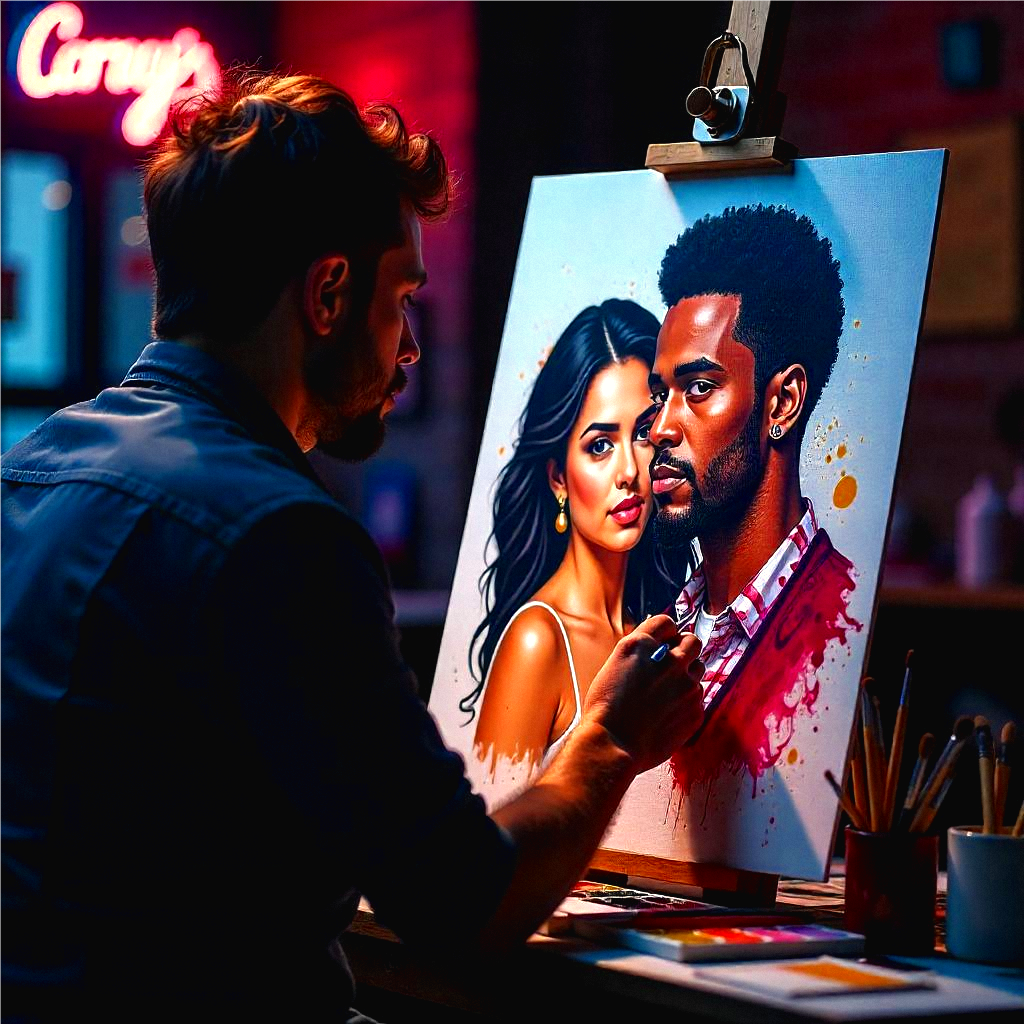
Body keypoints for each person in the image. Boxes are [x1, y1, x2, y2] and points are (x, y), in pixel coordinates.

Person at [0, 71, 705, 1019]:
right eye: (402, 296)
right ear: (329, 291)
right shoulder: (280, 537)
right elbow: (466, 903)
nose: (410, 343)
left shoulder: (29, 470)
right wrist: (610, 738)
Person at [648, 203, 861, 796]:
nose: (660, 428)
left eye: (698, 388)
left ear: (782, 403)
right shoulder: (669, 624)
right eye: (660, 394)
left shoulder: (841, 627)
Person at [463, 300, 687, 774]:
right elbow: (494, 821)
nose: (628, 471)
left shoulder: (653, 628)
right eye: (600, 446)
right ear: (558, 478)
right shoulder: (537, 641)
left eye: (642, 434)